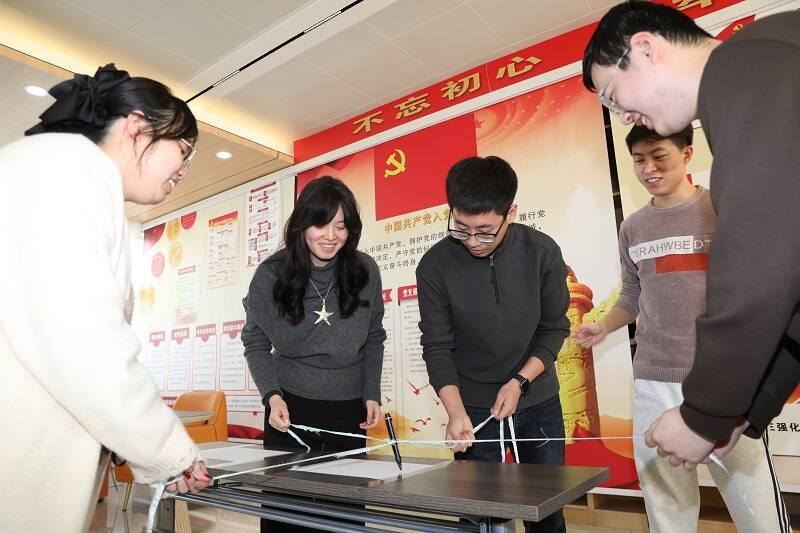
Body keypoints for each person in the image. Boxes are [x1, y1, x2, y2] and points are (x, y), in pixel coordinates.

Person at [582, 0, 800, 468]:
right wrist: (749, 407)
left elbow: (761, 270)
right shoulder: (761, 68)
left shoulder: (751, 68)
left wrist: (704, 413)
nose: (623, 117)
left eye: (613, 97)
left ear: (645, 48)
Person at [0, 64, 210, 532]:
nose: (184, 170)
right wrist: (166, 449)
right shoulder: (69, 169)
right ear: (137, 128)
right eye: (184, 150)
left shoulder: (54, 167)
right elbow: (82, 338)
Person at [574, 124, 791, 532]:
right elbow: (632, 295)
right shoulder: (632, 228)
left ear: (687, 154)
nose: (648, 169)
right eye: (639, 160)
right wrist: (603, 326)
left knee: (754, 500)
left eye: (659, 157)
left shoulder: (721, 209)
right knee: (666, 504)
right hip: (654, 379)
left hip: (723, 377)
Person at [416, 156, 570, 533]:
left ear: (510, 213)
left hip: (537, 401)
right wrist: (455, 412)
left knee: (546, 512)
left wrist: (519, 382)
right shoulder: (434, 266)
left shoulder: (542, 253)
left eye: (484, 232)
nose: (472, 242)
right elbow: (437, 346)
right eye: (461, 229)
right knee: (479, 516)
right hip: (472, 409)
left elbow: (554, 329)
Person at [242, 176, 386, 532]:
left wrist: (371, 392)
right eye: (321, 224)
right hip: (290, 409)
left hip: (348, 412)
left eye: (341, 226)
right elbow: (255, 340)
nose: (331, 236)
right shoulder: (271, 274)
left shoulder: (365, 270)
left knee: (344, 517)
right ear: (302, 223)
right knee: (286, 516)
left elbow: (374, 336)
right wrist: (271, 396)